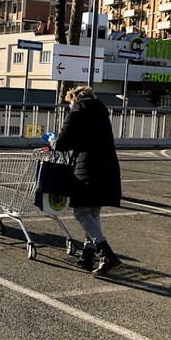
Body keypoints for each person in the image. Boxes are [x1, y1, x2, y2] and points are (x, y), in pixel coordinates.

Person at [53, 85, 122, 275]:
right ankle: (87, 254)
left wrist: (52, 141)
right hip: (107, 166)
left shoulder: (77, 111)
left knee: (81, 212)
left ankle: (105, 253)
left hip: (87, 166)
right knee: (93, 212)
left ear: (74, 98)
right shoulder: (102, 113)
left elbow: (61, 143)